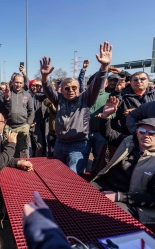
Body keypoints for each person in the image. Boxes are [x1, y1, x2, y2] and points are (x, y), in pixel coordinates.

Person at [93, 96, 155, 224]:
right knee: (76, 195)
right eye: (142, 131)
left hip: (136, 205)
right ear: (137, 131)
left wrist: (118, 196)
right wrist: (105, 116)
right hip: (107, 187)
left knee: (99, 214)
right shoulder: (129, 142)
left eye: (152, 133)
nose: (146, 135)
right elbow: (109, 134)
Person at [40, 42, 110, 174]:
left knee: (74, 176)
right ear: (61, 89)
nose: (70, 90)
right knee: (59, 174)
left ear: (79, 89)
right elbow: (48, 89)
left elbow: (96, 85)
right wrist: (44, 77)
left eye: (74, 88)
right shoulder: (59, 99)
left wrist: (104, 67)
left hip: (78, 146)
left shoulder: (85, 99)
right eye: (67, 88)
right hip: (60, 143)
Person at [110, 71, 155, 135]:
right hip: (128, 133)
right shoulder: (123, 94)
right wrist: (117, 91)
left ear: (148, 81)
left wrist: (137, 111)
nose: (139, 81)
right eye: (135, 79)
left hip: (151, 133)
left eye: (142, 79)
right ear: (130, 82)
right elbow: (113, 104)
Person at [1, 75, 34, 157]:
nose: (18, 84)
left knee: (23, 150)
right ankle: (9, 168)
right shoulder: (7, 93)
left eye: (20, 83)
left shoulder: (27, 95)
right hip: (9, 127)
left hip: (23, 126)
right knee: (8, 149)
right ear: (12, 82)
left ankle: (23, 166)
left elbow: (31, 111)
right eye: (16, 82)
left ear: (23, 83)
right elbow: (2, 109)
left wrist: (28, 125)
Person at [28, 80, 47, 157]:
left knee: (39, 145)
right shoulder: (25, 95)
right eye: (33, 85)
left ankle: (37, 160)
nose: (35, 87)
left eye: (37, 86)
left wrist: (42, 85)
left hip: (36, 123)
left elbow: (49, 94)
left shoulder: (39, 95)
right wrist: (28, 122)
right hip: (26, 123)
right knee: (26, 146)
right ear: (30, 86)